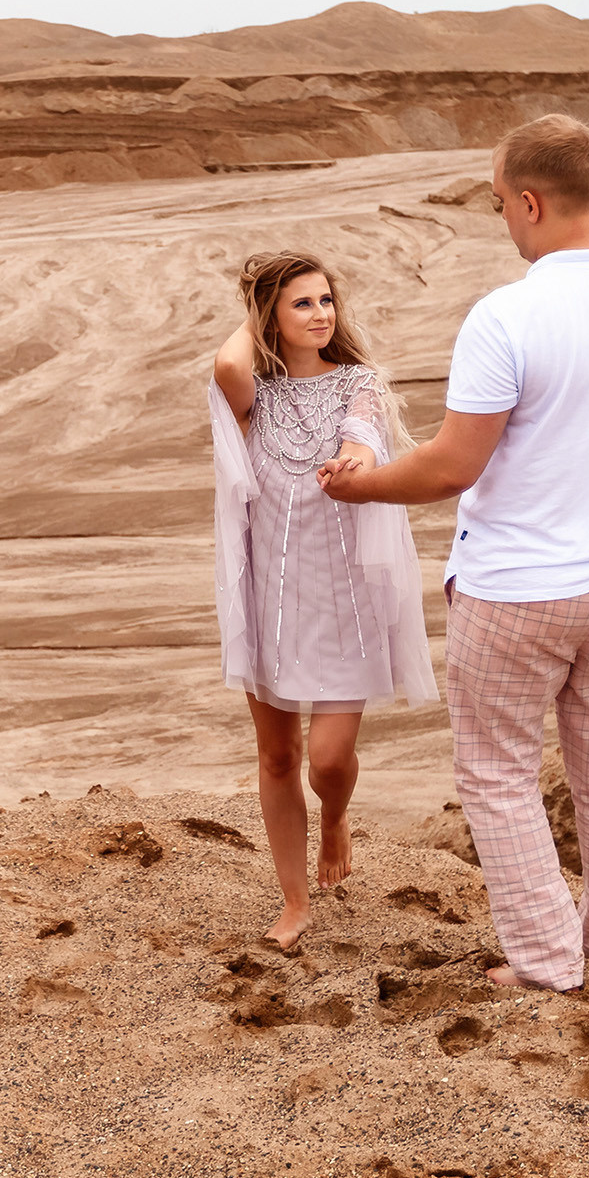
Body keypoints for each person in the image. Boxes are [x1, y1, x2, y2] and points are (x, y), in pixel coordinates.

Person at [318, 114, 589, 991]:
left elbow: (453, 466)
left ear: (534, 201)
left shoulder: (507, 315)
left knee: (498, 775)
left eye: (504, 201)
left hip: (516, 592)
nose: (505, 218)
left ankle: (548, 962)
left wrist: (362, 484)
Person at [210, 251, 436, 950]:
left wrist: (353, 464)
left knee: (328, 760)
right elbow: (226, 368)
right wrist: (257, 300)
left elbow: (366, 446)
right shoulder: (253, 396)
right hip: (268, 595)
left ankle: (335, 815)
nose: (321, 315)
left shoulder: (359, 383)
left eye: (327, 301)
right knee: (277, 758)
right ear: (268, 318)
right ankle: (293, 901)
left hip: (344, 596)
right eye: (302, 303)